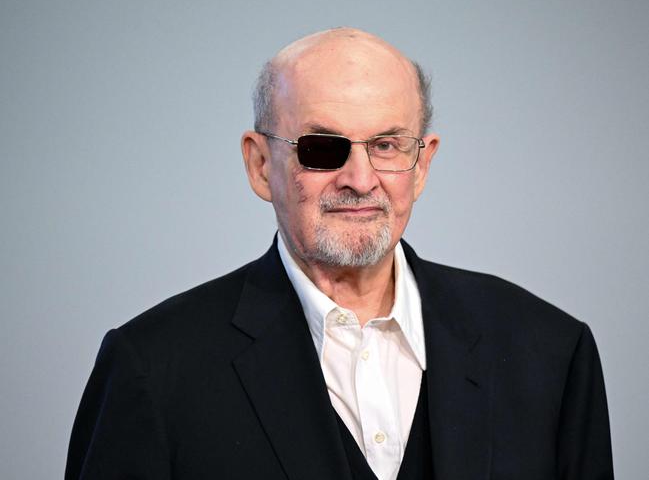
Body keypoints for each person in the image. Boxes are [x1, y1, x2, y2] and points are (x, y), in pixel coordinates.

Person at [65, 28, 614, 480]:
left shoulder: (549, 352)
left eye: (387, 145)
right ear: (260, 166)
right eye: (322, 148)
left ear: (421, 164)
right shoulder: (153, 369)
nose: (360, 179)